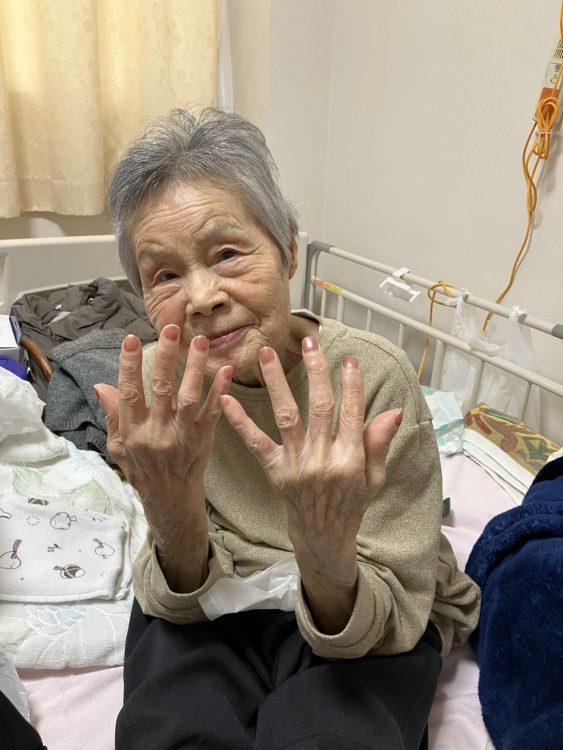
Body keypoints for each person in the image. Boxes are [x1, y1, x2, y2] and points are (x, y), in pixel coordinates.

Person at [95, 108, 480, 750]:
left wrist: (322, 543)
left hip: (362, 596)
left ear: (289, 251)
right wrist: (171, 507)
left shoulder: (371, 379)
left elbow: (397, 595)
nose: (203, 297)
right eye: (164, 275)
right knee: (169, 728)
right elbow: (180, 588)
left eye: (227, 254)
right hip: (214, 585)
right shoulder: (161, 387)